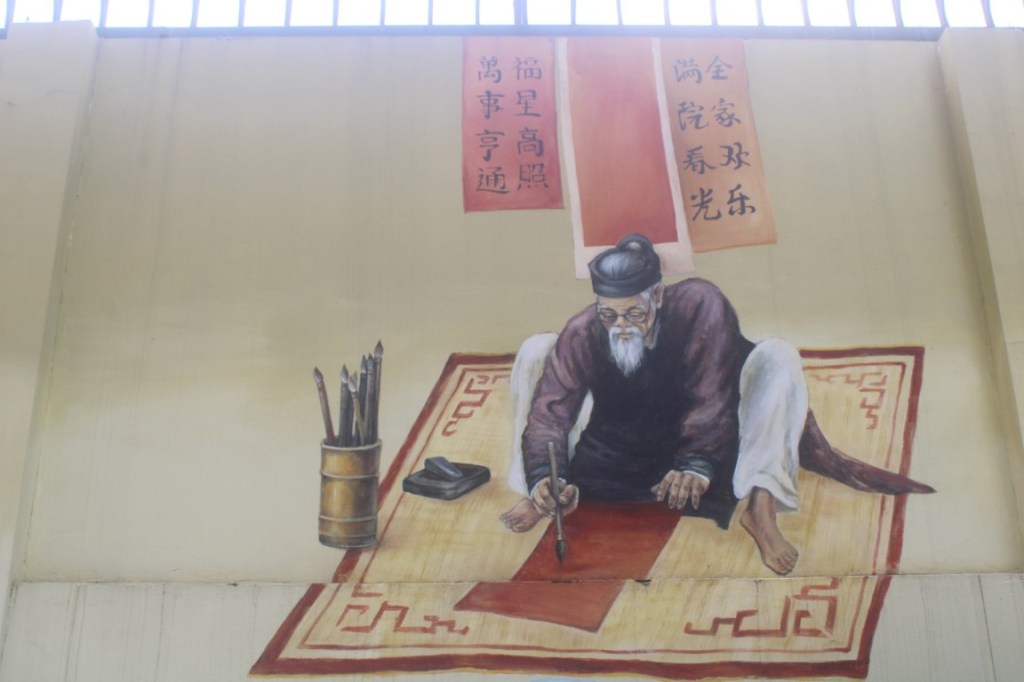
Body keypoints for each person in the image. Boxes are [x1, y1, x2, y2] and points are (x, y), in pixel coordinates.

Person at [500, 233, 933, 575]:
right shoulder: (584, 330)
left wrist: (696, 464)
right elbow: (550, 412)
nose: (620, 327)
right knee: (538, 348)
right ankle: (538, 492)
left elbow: (712, 397)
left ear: (658, 296)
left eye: (633, 314)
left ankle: (762, 509)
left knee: (778, 356)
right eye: (609, 315)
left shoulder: (699, 302)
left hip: (709, 449)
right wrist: (544, 471)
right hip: (618, 456)